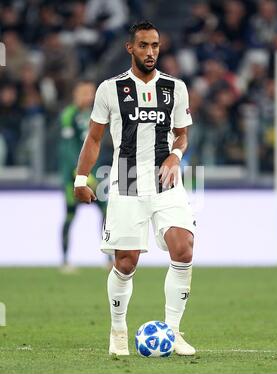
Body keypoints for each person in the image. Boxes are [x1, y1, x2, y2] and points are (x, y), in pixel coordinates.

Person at [74, 21, 196, 356]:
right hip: (126, 176)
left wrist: (175, 154)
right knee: (126, 263)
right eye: (143, 45)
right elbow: (95, 137)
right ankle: (117, 331)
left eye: (155, 45)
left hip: (165, 178)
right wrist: (81, 179)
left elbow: (183, 133)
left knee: (183, 248)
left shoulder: (175, 88)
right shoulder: (109, 89)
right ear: (131, 48)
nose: (150, 52)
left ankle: (172, 332)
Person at [59, 79, 113, 270]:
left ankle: (109, 260)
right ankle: (65, 260)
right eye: (85, 92)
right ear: (76, 94)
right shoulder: (69, 115)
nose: (89, 96)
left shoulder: (94, 115)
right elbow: (67, 150)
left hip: (94, 176)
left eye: (91, 93)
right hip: (73, 177)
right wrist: (78, 174)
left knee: (106, 213)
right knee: (70, 215)